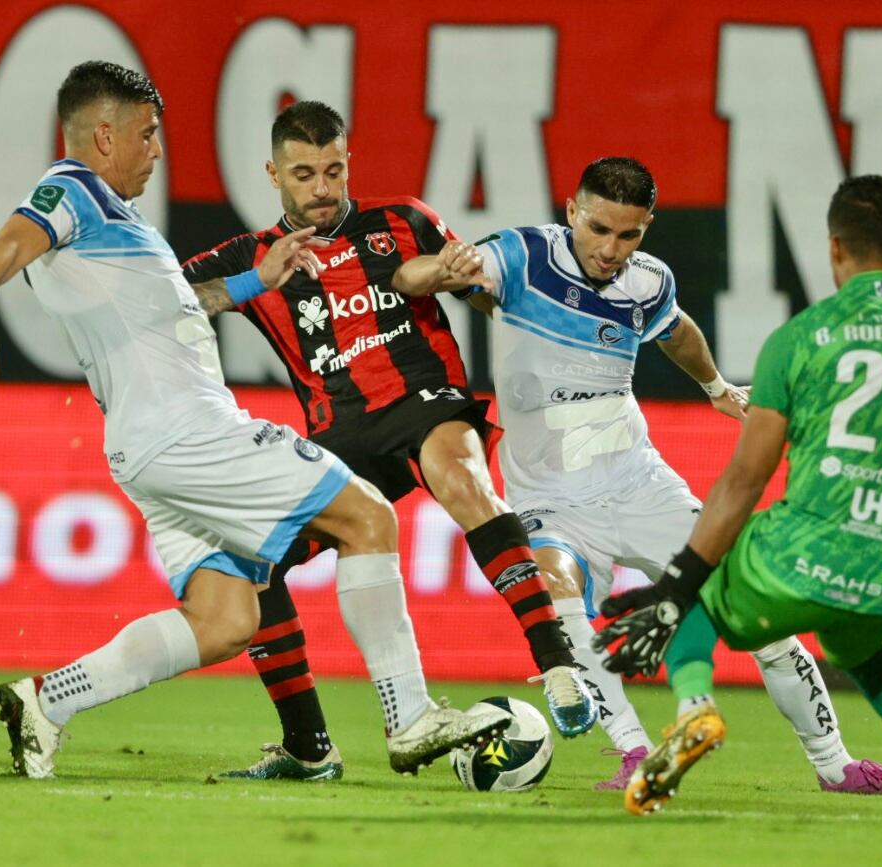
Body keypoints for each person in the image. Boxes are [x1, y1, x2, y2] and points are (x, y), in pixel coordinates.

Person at [0, 61, 507, 779]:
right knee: (369, 517)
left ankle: (48, 700)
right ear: (104, 136)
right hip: (189, 429)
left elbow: (166, 307)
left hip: (145, 446)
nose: (158, 150)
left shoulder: (113, 219)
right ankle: (409, 716)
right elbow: (10, 244)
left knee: (226, 619)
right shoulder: (73, 189)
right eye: (147, 134)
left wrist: (256, 280)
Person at [399, 157, 882, 795]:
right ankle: (635, 752)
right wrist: (443, 268)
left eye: (628, 234)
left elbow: (675, 330)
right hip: (550, 498)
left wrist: (715, 387)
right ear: (572, 211)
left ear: (647, 227)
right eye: (598, 229)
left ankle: (837, 766)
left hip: (640, 486)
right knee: (555, 591)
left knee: (763, 617)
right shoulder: (521, 255)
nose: (610, 249)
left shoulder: (649, 281)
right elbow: (411, 278)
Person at [594, 175, 882, 821]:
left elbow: (744, 479)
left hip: (804, 552)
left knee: (693, 594)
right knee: (861, 651)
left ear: (834, 249)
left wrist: (675, 587)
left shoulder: (800, 338)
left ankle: (694, 709)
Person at [182, 100, 594, 780]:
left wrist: (467, 276)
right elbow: (165, 299)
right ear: (273, 174)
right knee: (248, 562)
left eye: (334, 170)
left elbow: (475, 289)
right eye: (304, 174)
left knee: (462, 477)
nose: (322, 188)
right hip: (338, 441)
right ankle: (308, 748)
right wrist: (250, 283)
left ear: (349, 163)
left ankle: (557, 663)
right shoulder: (255, 256)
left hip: (423, 402)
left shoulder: (402, 219)